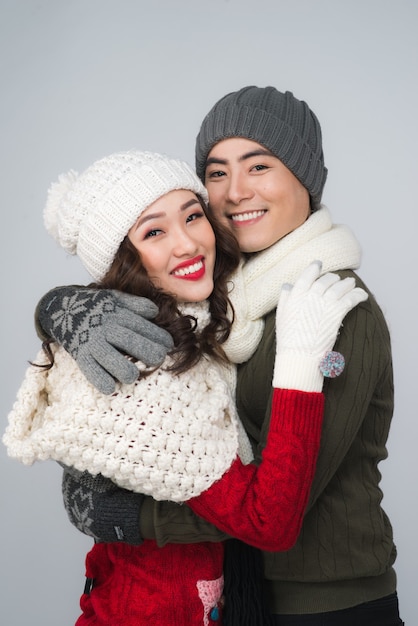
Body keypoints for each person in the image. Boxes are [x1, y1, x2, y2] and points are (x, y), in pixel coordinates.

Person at [32, 86, 402, 625]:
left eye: (259, 166)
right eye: (217, 171)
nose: (234, 193)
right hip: (238, 598)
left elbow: (275, 506)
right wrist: (59, 307)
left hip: (326, 604)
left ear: (305, 178)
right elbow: (130, 277)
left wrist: (132, 517)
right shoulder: (221, 296)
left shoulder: (335, 309)